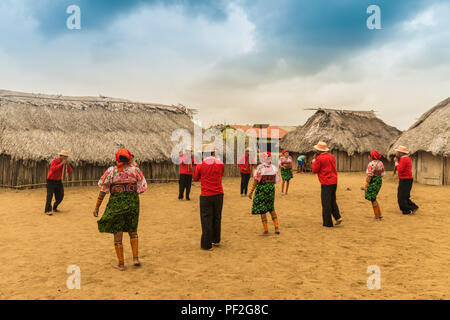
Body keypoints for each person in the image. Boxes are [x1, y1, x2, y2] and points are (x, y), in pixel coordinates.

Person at [93, 149, 148, 271]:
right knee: (132, 230)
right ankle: (135, 258)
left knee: (117, 234)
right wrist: (131, 192)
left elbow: (103, 189)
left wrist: (97, 207)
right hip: (133, 203)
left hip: (116, 204)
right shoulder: (135, 170)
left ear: (117, 159)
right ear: (129, 159)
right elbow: (143, 187)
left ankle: (121, 264)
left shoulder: (111, 171)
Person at [193, 145, 225, 251]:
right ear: (213, 153)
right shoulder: (220, 164)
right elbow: (221, 174)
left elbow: (195, 178)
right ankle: (216, 239)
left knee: (206, 219)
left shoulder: (200, 165)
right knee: (217, 217)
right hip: (219, 194)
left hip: (206, 195)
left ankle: (207, 244)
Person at [248, 152, 280, 235]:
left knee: (262, 209)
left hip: (262, 190)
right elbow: (276, 181)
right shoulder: (274, 168)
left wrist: (251, 191)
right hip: (271, 190)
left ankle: (266, 230)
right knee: (271, 208)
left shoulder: (260, 168)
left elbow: (256, 180)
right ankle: (276, 227)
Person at [312, 142, 342, 227]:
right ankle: (337, 217)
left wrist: (314, 160)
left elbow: (315, 170)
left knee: (326, 203)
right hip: (334, 181)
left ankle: (328, 223)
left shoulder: (319, 158)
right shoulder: (331, 156)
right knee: (332, 200)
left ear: (318, 150)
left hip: (326, 182)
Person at [45, 150, 72, 215]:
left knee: (60, 195)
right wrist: (61, 164)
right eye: (64, 156)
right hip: (51, 180)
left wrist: (68, 165)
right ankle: (47, 210)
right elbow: (53, 169)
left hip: (58, 181)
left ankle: (55, 207)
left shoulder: (66, 163)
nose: (65, 158)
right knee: (50, 196)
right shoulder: (55, 161)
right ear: (61, 156)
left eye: (66, 157)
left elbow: (70, 171)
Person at [394, 146, 419, 215]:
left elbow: (400, 169)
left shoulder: (404, 159)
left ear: (401, 153)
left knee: (401, 197)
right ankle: (413, 207)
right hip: (407, 179)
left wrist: (396, 162)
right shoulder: (406, 158)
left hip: (405, 179)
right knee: (405, 196)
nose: (396, 153)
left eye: (397, 152)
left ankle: (408, 209)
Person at [364, 150, 385, 220]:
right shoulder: (381, 163)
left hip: (373, 181)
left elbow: (369, 176)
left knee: (373, 199)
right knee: (374, 197)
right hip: (379, 181)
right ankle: (379, 215)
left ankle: (376, 217)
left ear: (371, 157)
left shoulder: (371, 164)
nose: (368, 157)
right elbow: (382, 174)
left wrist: (366, 185)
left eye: (369, 155)